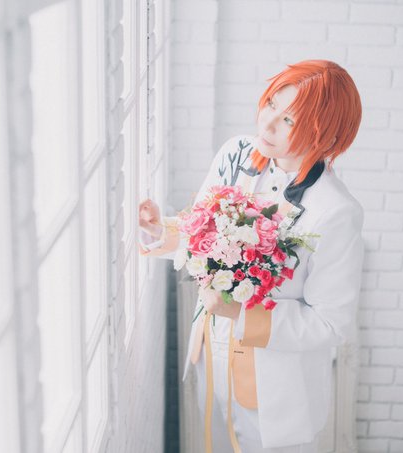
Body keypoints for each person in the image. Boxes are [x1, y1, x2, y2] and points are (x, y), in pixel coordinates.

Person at [138, 59, 365, 453]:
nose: (268, 124)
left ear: (325, 135)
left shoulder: (336, 211)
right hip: (212, 358)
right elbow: (203, 230)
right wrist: (161, 229)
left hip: (276, 392)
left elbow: (331, 323)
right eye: (271, 104)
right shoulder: (238, 152)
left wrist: (241, 314)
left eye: (289, 120)